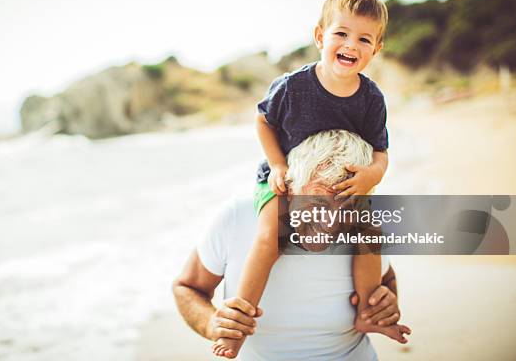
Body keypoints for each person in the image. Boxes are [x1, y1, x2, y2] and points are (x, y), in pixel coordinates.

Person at [212, 0, 405, 358]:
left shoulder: (371, 99)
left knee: (369, 234)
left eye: (364, 39)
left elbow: (380, 153)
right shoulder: (293, 87)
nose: (351, 45)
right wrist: (278, 165)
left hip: (344, 181)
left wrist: (371, 177)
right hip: (286, 178)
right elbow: (263, 122)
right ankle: (240, 322)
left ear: (376, 49)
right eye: (341, 34)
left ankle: (366, 310)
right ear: (320, 36)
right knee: (270, 238)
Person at [173, 130, 410, 360]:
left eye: (346, 204)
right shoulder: (237, 217)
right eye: (317, 198)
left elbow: (386, 279)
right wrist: (211, 323)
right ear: (288, 188)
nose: (330, 221)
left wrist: (384, 305)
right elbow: (188, 287)